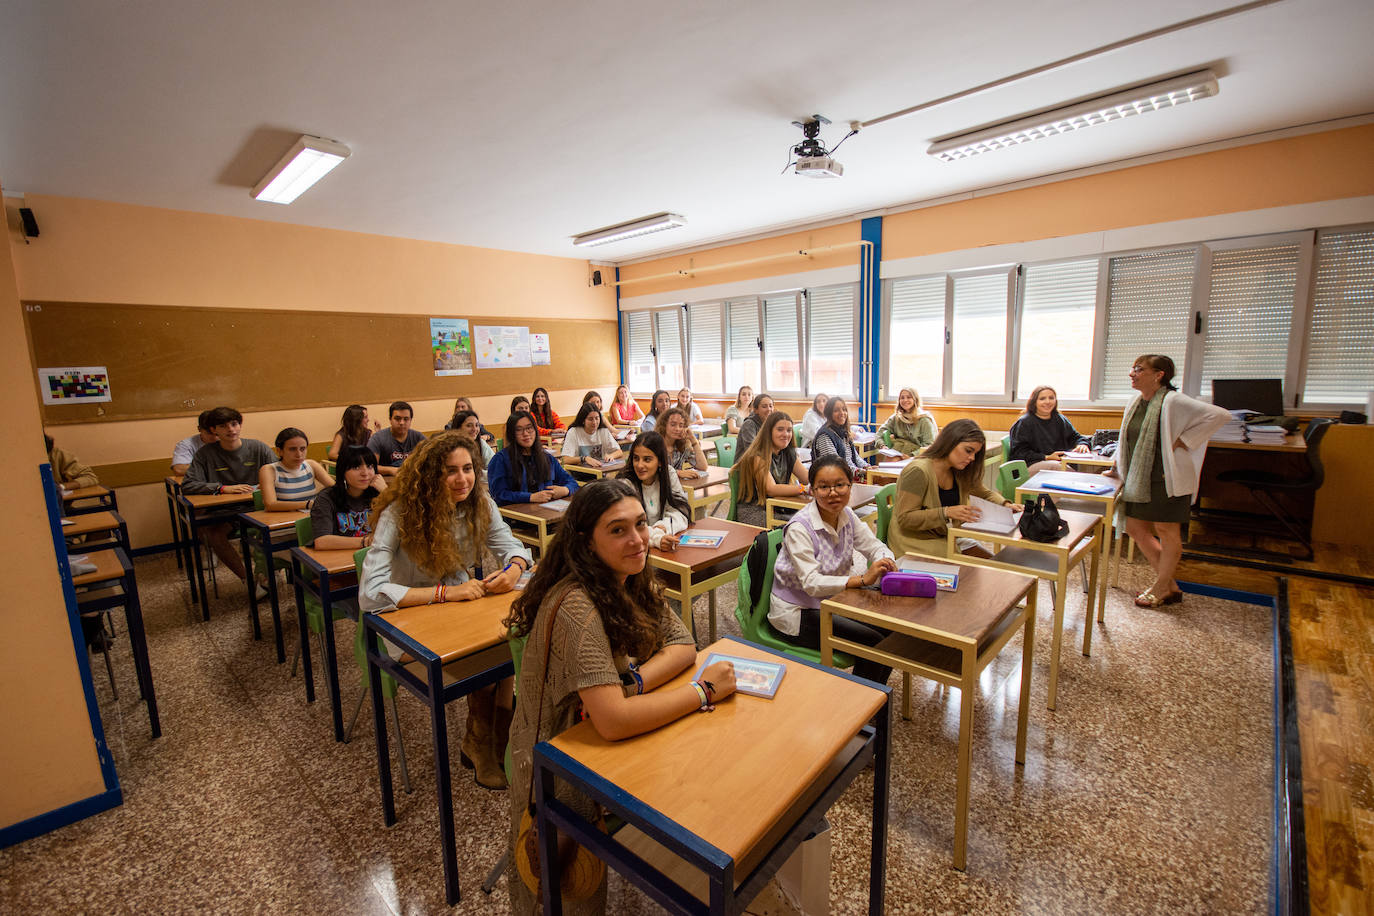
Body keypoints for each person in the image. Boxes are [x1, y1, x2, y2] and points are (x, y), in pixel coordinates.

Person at [503, 479, 737, 914]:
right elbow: (613, 723)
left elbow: (684, 645)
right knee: (572, 893)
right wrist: (703, 691)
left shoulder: (630, 578)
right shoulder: (576, 606)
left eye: (641, 524)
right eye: (617, 529)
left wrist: (633, 686)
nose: (637, 540)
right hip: (558, 766)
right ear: (586, 543)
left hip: (605, 746)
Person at [360, 431, 533, 789]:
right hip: (403, 620)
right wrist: (444, 594)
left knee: (507, 644)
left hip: (456, 605)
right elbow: (371, 592)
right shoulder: (400, 513)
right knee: (494, 657)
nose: (462, 479)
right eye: (450, 471)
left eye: (468, 468)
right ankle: (481, 743)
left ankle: (489, 741)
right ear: (430, 475)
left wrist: (514, 567)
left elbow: (512, 545)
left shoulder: (478, 501)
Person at [1104, 354, 1230, 608]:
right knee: (1135, 528)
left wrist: (1185, 441)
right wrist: (1117, 464)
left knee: (1166, 531)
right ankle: (1170, 584)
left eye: (1139, 369)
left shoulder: (1173, 400)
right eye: (1133, 368)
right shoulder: (1136, 402)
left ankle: (1161, 586)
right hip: (1140, 477)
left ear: (1159, 374)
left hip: (1167, 478)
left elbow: (1219, 416)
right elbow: (1128, 439)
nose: (1132, 373)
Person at [769, 455, 896, 685]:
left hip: (834, 601)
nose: (833, 493)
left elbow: (874, 546)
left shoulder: (847, 517)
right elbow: (811, 583)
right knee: (874, 643)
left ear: (850, 486)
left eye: (840, 485)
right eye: (823, 487)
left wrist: (885, 560)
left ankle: (869, 700)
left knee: (890, 632)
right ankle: (857, 706)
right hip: (798, 611)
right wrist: (861, 579)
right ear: (812, 490)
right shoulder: (800, 527)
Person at [887, 419, 1021, 560]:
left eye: (975, 453)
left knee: (995, 564)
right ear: (950, 442)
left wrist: (1005, 505)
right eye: (968, 451)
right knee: (970, 572)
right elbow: (906, 518)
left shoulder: (958, 470)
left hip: (945, 534)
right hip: (915, 540)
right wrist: (947, 512)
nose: (972, 458)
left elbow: (985, 493)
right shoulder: (918, 471)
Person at [182, 406, 277, 596]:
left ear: (240, 425)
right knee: (212, 534)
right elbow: (188, 484)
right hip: (224, 510)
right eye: (223, 426)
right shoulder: (205, 454)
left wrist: (261, 487)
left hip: (258, 507)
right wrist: (222, 488)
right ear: (213, 430)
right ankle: (248, 581)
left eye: (234, 424)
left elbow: (280, 473)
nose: (231, 430)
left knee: (279, 529)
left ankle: (268, 574)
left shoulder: (258, 448)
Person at [731, 411, 808, 528]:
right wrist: (803, 489)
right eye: (780, 429)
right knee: (802, 525)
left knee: (813, 518)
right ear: (769, 432)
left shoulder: (789, 452)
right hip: (756, 510)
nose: (785, 434)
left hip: (778, 506)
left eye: (789, 430)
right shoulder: (758, 455)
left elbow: (807, 478)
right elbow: (771, 489)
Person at [488, 411, 580, 505]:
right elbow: (499, 495)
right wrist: (530, 497)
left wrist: (565, 490)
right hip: (516, 516)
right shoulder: (500, 460)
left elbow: (572, 483)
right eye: (519, 430)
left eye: (529, 428)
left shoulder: (546, 458)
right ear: (512, 434)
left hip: (545, 511)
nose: (526, 433)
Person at [618, 432, 690, 551]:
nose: (640, 465)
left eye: (647, 459)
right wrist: (657, 538)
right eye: (636, 458)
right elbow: (631, 527)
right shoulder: (625, 483)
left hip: (658, 543)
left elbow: (680, 512)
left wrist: (662, 527)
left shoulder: (669, 474)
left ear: (660, 461)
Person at [310, 445, 381, 551]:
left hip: (374, 557)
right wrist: (366, 541)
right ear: (343, 471)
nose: (365, 473)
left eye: (370, 466)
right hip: (342, 558)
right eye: (356, 467)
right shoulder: (326, 498)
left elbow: (404, 526)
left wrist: (386, 492)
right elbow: (321, 541)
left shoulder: (379, 494)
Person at [1009, 385, 1092, 474]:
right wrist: (1047, 457)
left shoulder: (1060, 419)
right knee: (1057, 467)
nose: (1047, 402)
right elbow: (1019, 453)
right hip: (1028, 465)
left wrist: (1082, 444)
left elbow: (1076, 437)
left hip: (1058, 462)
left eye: (1051, 398)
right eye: (1042, 399)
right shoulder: (1024, 422)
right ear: (1034, 402)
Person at [259, 427, 333, 510]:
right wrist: (307, 504)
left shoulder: (311, 465)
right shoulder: (269, 470)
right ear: (280, 451)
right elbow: (270, 504)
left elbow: (335, 488)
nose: (299, 454)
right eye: (292, 449)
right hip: (283, 519)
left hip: (312, 516)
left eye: (303, 449)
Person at [810, 396, 868, 480]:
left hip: (849, 476)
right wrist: (861, 473)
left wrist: (867, 467)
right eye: (836, 410)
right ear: (829, 413)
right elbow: (835, 466)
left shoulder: (844, 432)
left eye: (844, 410)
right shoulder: (824, 435)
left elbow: (855, 457)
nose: (842, 413)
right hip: (833, 480)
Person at [367, 401, 426, 477]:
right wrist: (390, 470)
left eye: (406, 419)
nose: (402, 423)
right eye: (397, 419)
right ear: (390, 420)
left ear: (411, 420)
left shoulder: (418, 437)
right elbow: (370, 467)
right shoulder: (377, 438)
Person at [560, 403, 623, 468]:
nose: (594, 422)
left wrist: (611, 456)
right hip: (578, 473)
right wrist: (584, 459)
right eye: (590, 419)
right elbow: (565, 459)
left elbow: (619, 452)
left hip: (599, 471)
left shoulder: (603, 431)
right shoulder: (574, 432)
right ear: (583, 420)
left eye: (597, 418)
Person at [879, 387, 937, 456]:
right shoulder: (896, 418)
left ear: (915, 399)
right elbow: (880, 433)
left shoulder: (924, 420)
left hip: (918, 455)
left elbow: (929, 446)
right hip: (899, 451)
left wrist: (911, 455)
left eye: (909, 397)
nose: (905, 400)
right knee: (890, 460)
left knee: (893, 461)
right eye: (902, 398)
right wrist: (882, 445)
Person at [657, 407, 708, 480]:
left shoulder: (682, 446)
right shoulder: (655, 444)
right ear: (664, 425)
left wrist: (693, 440)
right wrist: (678, 473)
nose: (677, 429)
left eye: (681, 426)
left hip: (676, 488)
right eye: (673, 424)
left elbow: (703, 467)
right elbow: (654, 471)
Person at [171, 410, 218, 474]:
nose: (215, 438)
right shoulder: (186, 445)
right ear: (199, 429)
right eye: (209, 433)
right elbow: (179, 469)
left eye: (217, 434)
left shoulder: (229, 441)